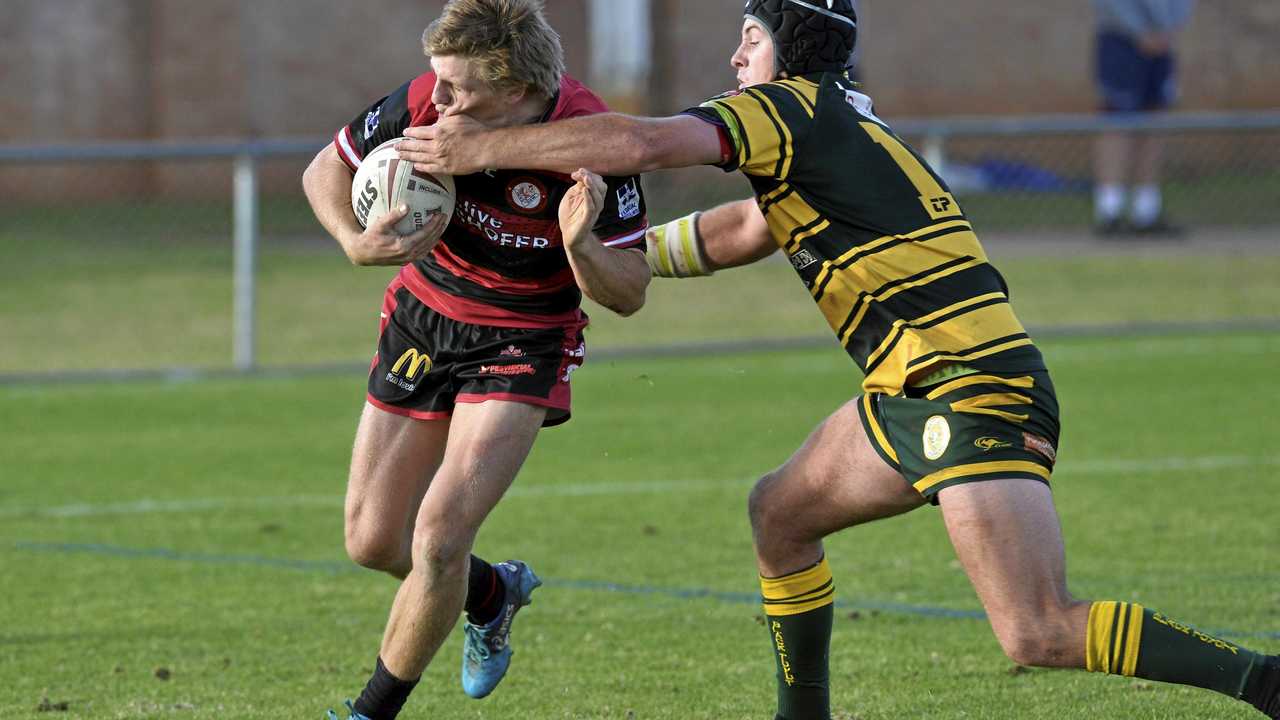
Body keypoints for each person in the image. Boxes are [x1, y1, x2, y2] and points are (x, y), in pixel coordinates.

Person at [395, 0, 1280, 717]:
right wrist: (596, 253)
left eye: (750, 36)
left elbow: (636, 144)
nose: (736, 53)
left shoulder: (788, 107)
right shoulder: (836, 126)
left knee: (1037, 631)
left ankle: (1264, 683)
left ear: (790, 46)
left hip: (971, 388)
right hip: (905, 390)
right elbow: (743, 229)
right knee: (780, 515)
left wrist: (478, 149)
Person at [300, 1, 650, 717]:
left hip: (524, 337)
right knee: (372, 540)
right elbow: (322, 172)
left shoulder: (590, 145)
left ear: (517, 92)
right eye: (439, 83)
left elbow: (632, 291)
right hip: (424, 318)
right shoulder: (428, 99)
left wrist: (582, 248)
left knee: (437, 538)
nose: (441, 100)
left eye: (459, 90)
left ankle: (368, 711)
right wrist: (352, 240)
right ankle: (491, 593)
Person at [1092, 0, 1196, 236]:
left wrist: (1169, 30)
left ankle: (1145, 212)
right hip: (1120, 39)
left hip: (1163, 41)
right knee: (1117, 122)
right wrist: (1139, 31)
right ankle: (1110, 212)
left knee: (1154, 122)